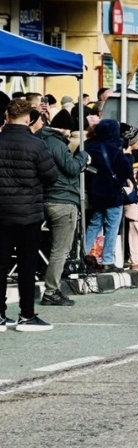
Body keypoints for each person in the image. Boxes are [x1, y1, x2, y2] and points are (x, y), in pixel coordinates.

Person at [0, 100, 59, 331]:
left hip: (1, 213)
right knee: (27, 265)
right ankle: (27, 315)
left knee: (1, 265)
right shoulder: (36, 145)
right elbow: (51, 176)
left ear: (7, 116)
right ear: (27, 119)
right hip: (28, 213)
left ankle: (0, 316)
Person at [35, 106, 89, 305]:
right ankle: (51, 291)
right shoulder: (57, 143)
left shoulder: (39, 139)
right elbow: (71, 168)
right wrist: (83, 157)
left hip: (43, 198)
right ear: (66, 129)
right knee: (60, 249)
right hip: (63, 200)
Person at [84, 119, 135, 270]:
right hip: (112, 194)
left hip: (95, 193)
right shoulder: (115, 150)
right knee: (112, 227)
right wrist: (128, 156)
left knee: (94, 224)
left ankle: (83, 256)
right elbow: (126, 171)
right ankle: (107, 261)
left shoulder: (89, 146)